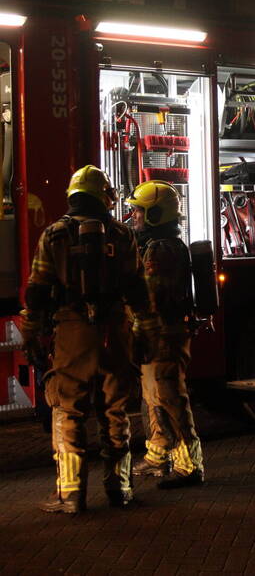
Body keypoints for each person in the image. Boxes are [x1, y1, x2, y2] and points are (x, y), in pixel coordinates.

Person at [19, 165, 158, 513]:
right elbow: (138, 290)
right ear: (104, 196)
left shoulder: (54, 235)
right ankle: (120, 488)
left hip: (72, 332)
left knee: (69, 409)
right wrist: (145, 330)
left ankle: (71, 494)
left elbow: (37, 290)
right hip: (115, 331)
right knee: (116, 411)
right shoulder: (124, 236)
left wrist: (31, 333)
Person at [127, 180, 205, 489]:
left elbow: (151, 298)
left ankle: (189, 466)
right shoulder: (153, 243)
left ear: (155, 214)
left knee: (171, 399)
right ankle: (158, 455)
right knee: (152, 398)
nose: (133, 217)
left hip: (164, 335)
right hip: (156, 334)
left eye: (138, 212)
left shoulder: (161, 249)